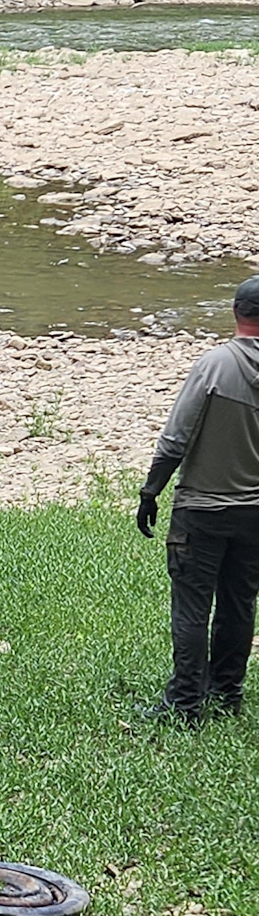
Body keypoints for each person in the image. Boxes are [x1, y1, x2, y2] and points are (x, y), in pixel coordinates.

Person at [137, 277, 259, 722]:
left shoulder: (215, 364)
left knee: (191, 608)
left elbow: (176, 438)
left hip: (203, 509)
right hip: (255, 514)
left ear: (235, 312)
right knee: (238, 603)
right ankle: (227, 694)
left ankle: (185, 701)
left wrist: (152, 491)